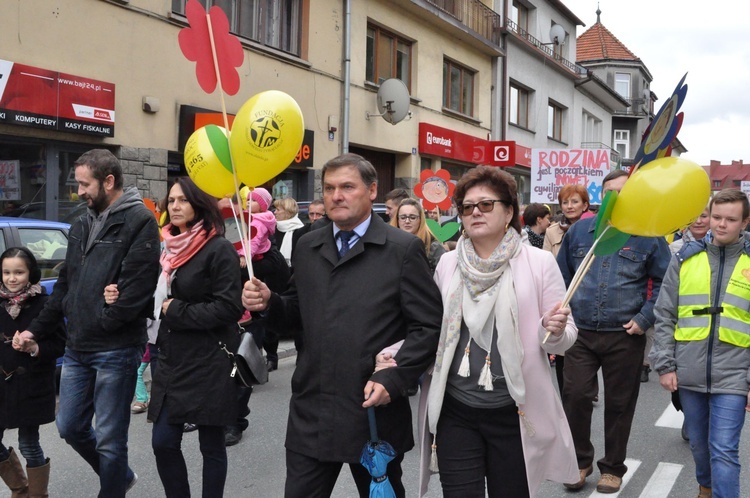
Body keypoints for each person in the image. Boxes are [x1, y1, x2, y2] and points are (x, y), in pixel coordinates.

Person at [242, 153, 443, 498]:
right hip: (313, 409)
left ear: (372, 191)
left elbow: (428, 327)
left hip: (372, 409)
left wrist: (394, 378)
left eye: (348, 187)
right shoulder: (308, 245)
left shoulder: (402, 249)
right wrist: (269, 302)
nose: (337, 195)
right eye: (330, 188)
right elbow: (295, 313)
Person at [405, 166, 579, 497]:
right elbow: (430, 327)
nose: (475, 213)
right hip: (456, 409)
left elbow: (566, 337)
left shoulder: (538, 263)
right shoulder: (448, 263)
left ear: (509, 211)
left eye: (486, 205)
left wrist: (551, 329)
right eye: (467, 207)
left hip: (514, 412)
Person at [17, 148, 160, 497]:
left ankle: (111, 489)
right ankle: (119, 477)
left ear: (108, 181)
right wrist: (36, 328)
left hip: (117, 348)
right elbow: (66, 285)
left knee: (111, 438)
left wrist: (102, 316)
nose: (78, 192)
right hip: (78, 346)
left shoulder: (140, 222)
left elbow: (138, 289)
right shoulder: (81, 223)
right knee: (69, 426)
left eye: (84, 184)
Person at [556, 169, 671, 493]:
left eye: (624, 191)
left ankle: (612, 467)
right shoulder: (580, 232)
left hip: (624, 333)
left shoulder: (648, 235)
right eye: (611, 192)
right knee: (575, 396)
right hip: (579, 333)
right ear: (602, 196)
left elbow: (665, 282)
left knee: (620, 404)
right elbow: (560, 276)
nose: (617, 198)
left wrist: (645, 317)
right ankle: (579, 462)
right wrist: (561, 316)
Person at [141, 177, 243, 497]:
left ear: (198, 206)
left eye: (182, 200)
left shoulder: (218, 248)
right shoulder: (168, 249)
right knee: (163, 442)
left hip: (210, 359)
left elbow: (228, 309)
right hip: (171, 359)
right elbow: (158, 301)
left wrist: (176, 310)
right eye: (171, 200)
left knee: (211, 444)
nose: (174, 206)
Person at [651, 189, 750, 498]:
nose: (721, 225)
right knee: (699, 444)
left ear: (744, 222)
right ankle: (705, 486)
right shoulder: (685, 258)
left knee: (724, 449)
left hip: (734, 374)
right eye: (716, 217)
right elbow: (664, 313)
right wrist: (665, 365)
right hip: (689, 371)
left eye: (730, 219)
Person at [1, 248, 65, 497]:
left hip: (31, 387)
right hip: (1, 387)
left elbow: (59, 344)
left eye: (19, 272)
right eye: (6, 272)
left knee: (28, 444)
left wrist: (35, 347)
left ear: (31, 273)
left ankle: (38, 495)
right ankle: (21, 489)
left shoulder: (44, 305)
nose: (12, 278)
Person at [390, 198, 446, 274]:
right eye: (403, 217)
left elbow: (443, 276)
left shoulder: (433, 246)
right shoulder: (390, 243)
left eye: (412, 217)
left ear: (420, 219)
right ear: (397, 220)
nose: (407, 221)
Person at [543, 184, 589, 257]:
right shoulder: (551, 231)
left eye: (575, 202)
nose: (569, 206)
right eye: (565, 202)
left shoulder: (593, 229)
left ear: (584, 206)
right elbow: (545, 263)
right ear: (561, 207)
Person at [273, 197, 305, 267]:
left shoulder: (300, 231)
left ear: (287, 212)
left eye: (278, 210)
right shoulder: (274, 228)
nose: (275, 212)